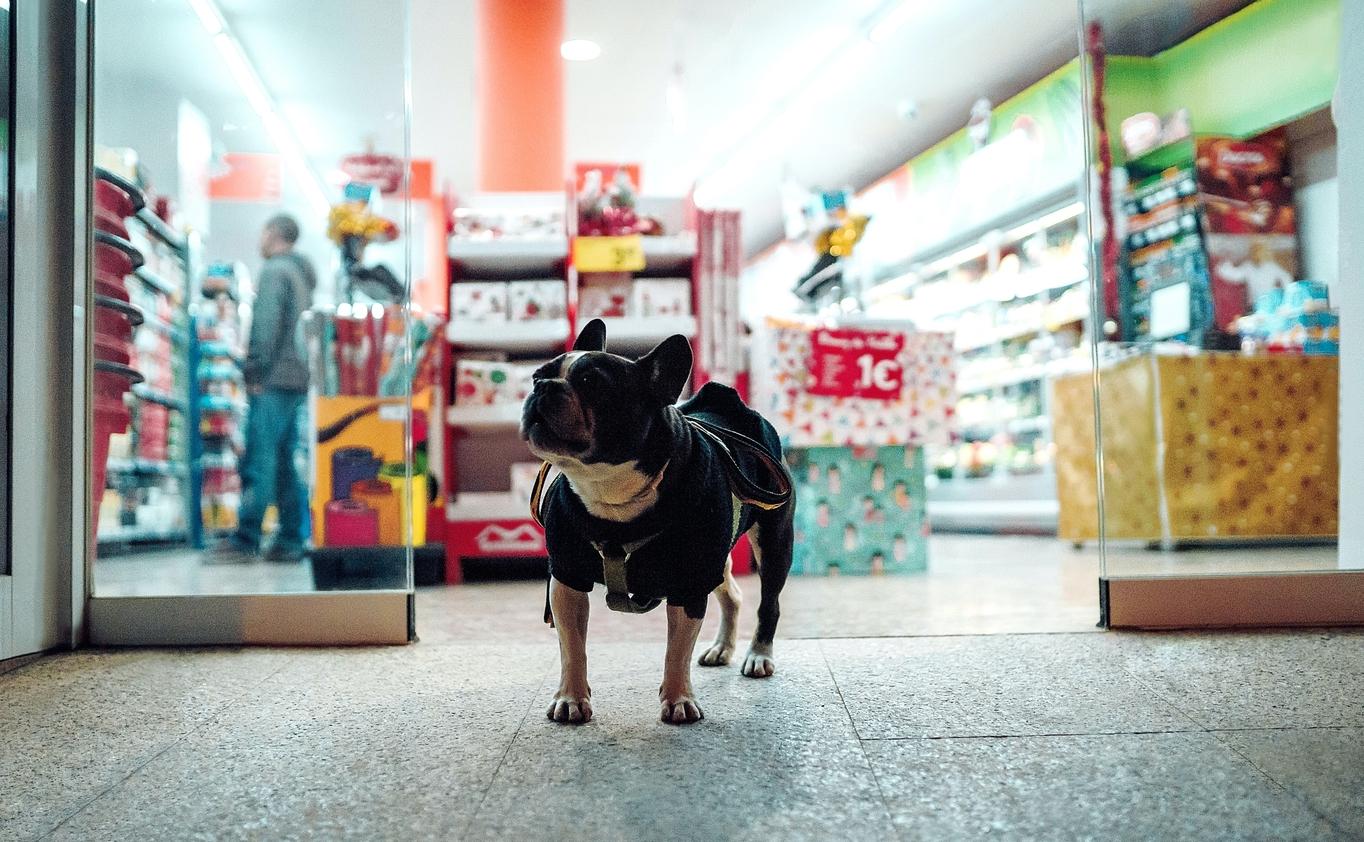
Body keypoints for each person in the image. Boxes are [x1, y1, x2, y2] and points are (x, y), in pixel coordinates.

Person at [207, 214, 316, 563]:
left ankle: (246, 538)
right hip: (295, 378)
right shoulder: (301, 275)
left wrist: (253, 369)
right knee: (284, 460)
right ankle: (290, 539)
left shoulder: (274, 271)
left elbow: (266, 327)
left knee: (260, 458)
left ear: (273, 234)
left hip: (273, 379)